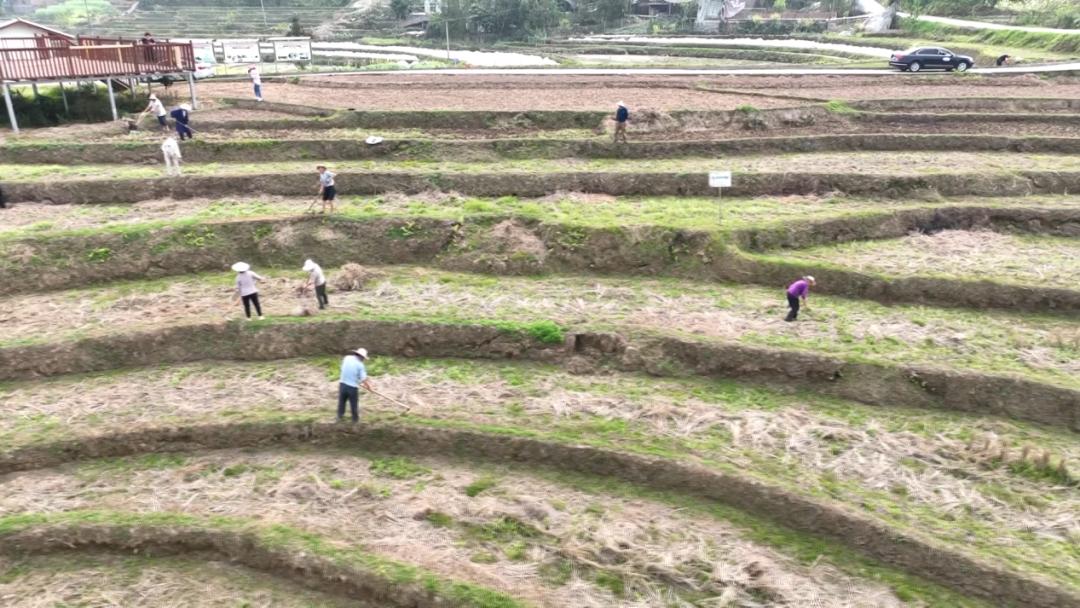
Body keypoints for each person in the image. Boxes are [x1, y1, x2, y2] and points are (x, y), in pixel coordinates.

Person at [338, 348, 373, 423]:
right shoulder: (360, 365)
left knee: (342, 402)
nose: (363, 359)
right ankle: (355, 420)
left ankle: (339, 416)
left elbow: (343, 369)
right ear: (361, 357)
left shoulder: (346, 358)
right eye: (363, 358)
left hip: (342, 384)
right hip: (352, 388)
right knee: (353, 403)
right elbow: (363, 379)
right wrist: (369, 387)